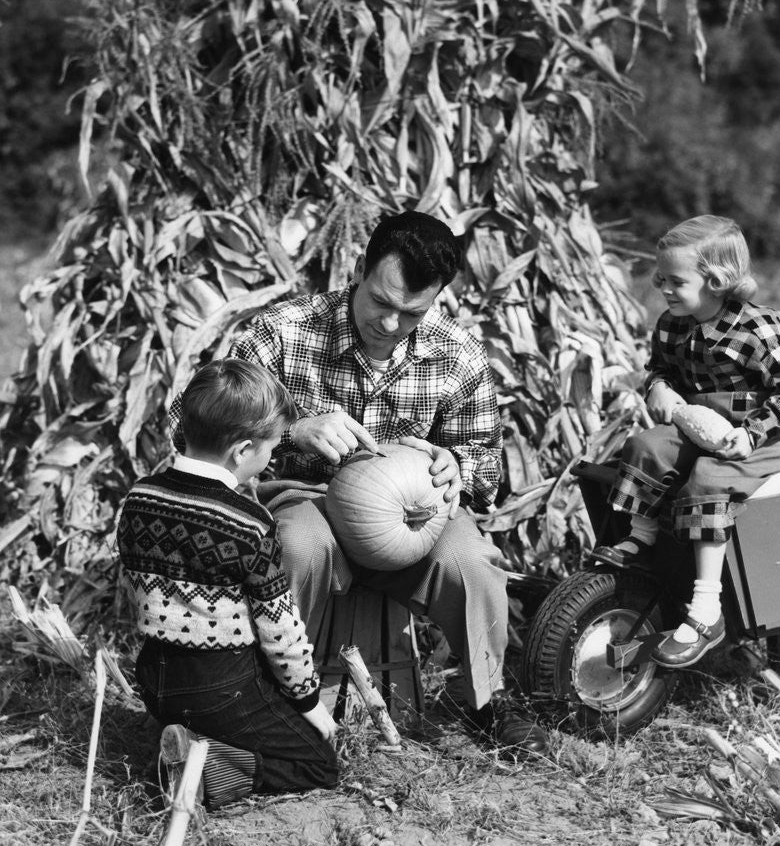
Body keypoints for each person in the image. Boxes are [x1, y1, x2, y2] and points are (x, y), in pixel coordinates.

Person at [206, 209, 547, 758]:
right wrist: (291, 429)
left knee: (474, 567)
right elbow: (197, 419)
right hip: (306, 498)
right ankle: (268, 701)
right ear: (360, 269)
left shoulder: (458, 354)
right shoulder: (283, 332)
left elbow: (487, 467)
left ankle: (485, 700)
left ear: (436, 298)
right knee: (294, 547)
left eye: (411, 313)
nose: (390, 324)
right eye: (381, 303)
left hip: (415, 515)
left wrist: (455, 464)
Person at [118, 359, 339, 811]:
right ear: (242, 451)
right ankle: (203, 765)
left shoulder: (139, 496)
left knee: (224, 701)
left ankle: (178, 731)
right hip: (219, 686)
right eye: (272, 446)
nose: (272, 455)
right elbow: (280, 633)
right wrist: (310, 703)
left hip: (155, 674)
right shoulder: (249, 523)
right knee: (319, 764)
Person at [593, 215, 780, 667]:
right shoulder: (672, 324)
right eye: (661, 278)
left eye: (675, 280)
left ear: (717, 281)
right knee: (645, 447)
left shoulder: (762, 329)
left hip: (757, 435)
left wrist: (751, 435)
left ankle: (706, 609)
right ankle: (643, 537)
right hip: (699, 425)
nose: (664, 289)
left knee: (708, 479)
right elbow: (660, 369)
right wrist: (660, 387)